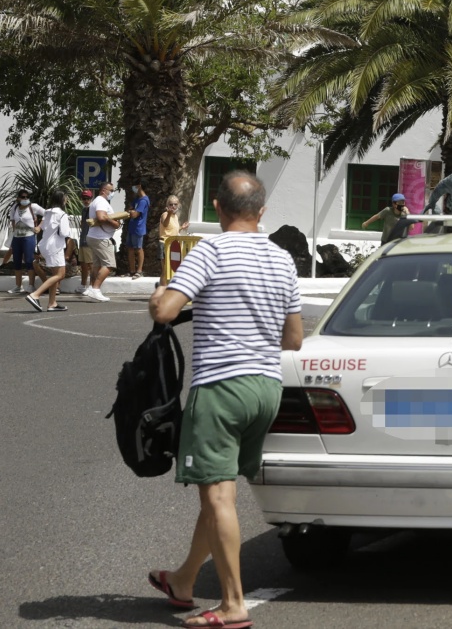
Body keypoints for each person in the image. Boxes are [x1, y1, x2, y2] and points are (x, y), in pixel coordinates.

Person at [145, 171, 303, 629]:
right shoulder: (281, 259)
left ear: (217, 207)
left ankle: (234, 604)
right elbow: (293, 339)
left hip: (220, 387)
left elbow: (166, 311)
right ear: (262, 211)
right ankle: (184, 579)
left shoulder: (211, 250)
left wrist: (158, 296)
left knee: (217, 495)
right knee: (221, 491)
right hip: (266, 389)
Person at [28, 190, 76, 312]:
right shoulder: (62, 215)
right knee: (60, 275)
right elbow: (65, 233)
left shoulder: (47, 212)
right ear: (61, 200)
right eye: (65, 197)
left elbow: (43, 227)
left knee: (55, 275)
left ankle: (52, 303)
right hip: (55, 246)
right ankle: (35, 295)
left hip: (45, 245)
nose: (66, 200)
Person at [83, 181, 122, 301]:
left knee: (97, 265)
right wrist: (115, 222)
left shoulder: (98, 201)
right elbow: (101, 217)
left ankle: (91, 288)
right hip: (101, 238)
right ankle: (96, 289)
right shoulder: (101, 201)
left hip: (95, 237)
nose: (112, 193)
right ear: (103, 190)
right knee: (109, 264)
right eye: (111, 190)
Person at [5, 190, 44, 297]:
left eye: (27, 197)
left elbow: (47, 214)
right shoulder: (15, 207)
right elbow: (12, 219)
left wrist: (39, 227)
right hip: (17, 238)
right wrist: (14, 230)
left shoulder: (34, 207)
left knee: (29, 261)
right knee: (17, 261)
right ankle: (18, 286)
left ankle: (31, 285)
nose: (25, 199)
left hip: (29, 237)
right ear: (18, 198)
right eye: (23, 197)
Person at [158, 195, 191, 287]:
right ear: (167, 205)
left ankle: (167, 289)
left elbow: (172, 230)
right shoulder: (165, 214)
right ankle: (162, 290)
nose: (173, 206)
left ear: (178, 205)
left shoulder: (175, 217)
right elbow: (165, 224)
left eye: (175, 204)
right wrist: (168, 214)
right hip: (165, 244)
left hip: (174, 245)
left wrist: (181, 227)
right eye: (171, 204)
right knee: (166, 269)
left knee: (174, 268)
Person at [122, 182, 152, 279]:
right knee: (130, 248)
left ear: (139, 186)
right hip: (132, 227)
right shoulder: (137, 199)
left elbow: (135, 214)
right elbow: (129, 209)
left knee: (138, 249)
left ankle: (139, 271)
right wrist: (131, 211)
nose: (133, 188)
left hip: (138, 228)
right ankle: (132, 270)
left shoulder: (144, 200)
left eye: (135, 186)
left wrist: (131, 212)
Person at [73, 190, 94, 294]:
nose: (86, 200)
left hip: (90, 240)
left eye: (88, 198)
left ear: (91, 199)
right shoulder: (84, 210)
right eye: (84, 198)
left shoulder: (92, 209)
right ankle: (83, 284)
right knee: (83, 264)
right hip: (83, 239)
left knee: (91, 264)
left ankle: (92, 286)